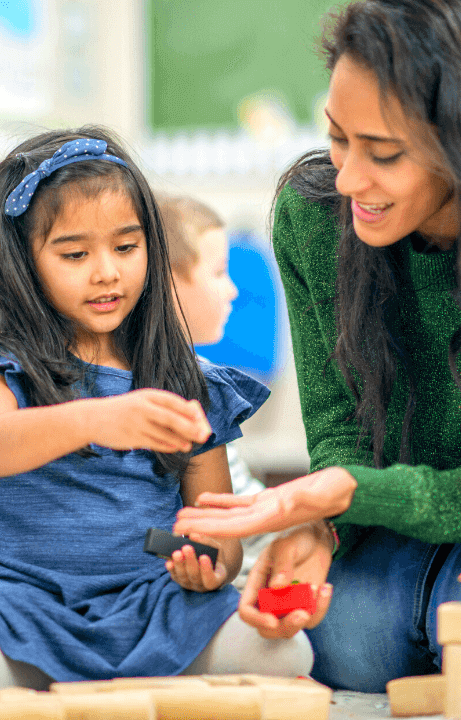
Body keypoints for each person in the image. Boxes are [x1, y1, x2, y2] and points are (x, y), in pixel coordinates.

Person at [174, 0, 461, 693]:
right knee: (353, 641)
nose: (349, 178)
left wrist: (343, 496)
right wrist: (320, 525)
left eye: (383, 153)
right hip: (395, 521)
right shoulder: (315, 215)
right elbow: (338, 429)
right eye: (337, 138)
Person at [0, 127, 312, 698]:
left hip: (151, 601)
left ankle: (79, 675)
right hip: (18, 599)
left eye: (126, 247)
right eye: (74, 254)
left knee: (287, 652)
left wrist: (209, 562)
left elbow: (218, 530)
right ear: (24, 262)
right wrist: (98, 418)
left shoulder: (189, 380)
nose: (106, 272)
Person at [159, 195, 275, 588]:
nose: (233, 291)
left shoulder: (197, 378)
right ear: (167, 281)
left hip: (252, 555)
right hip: (234, 577)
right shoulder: (181, 385)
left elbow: (244, 511)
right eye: (220, 272)